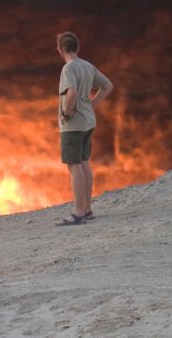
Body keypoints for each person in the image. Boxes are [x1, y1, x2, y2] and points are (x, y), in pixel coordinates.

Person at [54, 31, 112, 226]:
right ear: (77, 47)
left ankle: (78, 212)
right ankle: (87, 210)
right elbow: (107, 86)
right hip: (88, 121)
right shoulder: (87, 66)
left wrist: (66, 113)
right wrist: (91, 104)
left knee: (74, 166)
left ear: (60, 49)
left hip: (74, 125)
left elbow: (71, 92)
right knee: (84, 162)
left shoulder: (68, 68)